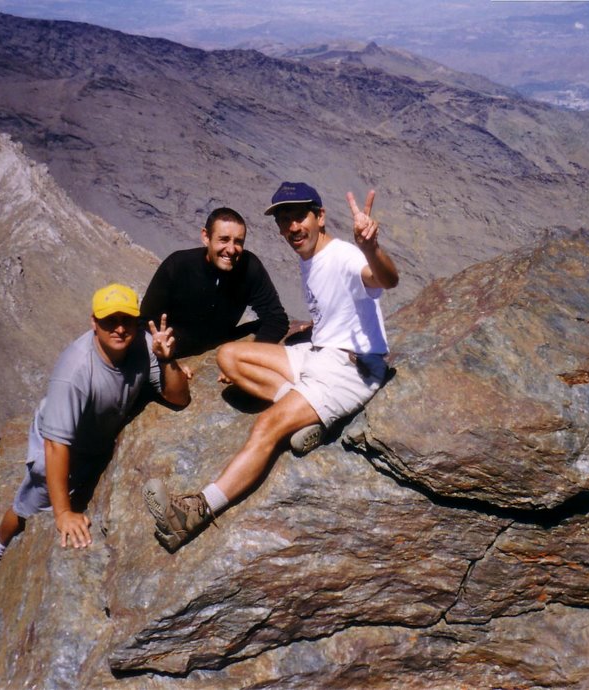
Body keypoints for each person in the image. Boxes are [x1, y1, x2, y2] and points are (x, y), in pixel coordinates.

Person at [142, 181, 399, 553]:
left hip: (350, 369)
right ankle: (308, 416)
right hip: (319, 353)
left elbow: (386, 280)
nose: (293, 227)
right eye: (284, 220)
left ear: (321, 216)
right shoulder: (311, 259)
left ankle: (194, 512)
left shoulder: (345, 255)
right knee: (229, 356)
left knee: (267, 425)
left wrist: (371, 247)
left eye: (300, 216)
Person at [0, 283, 191, 573]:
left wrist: (168, 360)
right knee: (30, 505)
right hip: (59, 442)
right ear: (94, 322)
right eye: (109, 321)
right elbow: (56, 445)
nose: (119, 329)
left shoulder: (144, 343)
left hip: (97, 434)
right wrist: (64, 513)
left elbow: (179, 398)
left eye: (127, 320)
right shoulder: (76, 370)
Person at [139, 207, 289, 357]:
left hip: (219, 347)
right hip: (171, 351)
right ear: (206, 237)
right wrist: (170, 360)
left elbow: (276, 317)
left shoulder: (249, 267)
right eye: (224, 239)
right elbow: (146, 321)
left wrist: (252, 356)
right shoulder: (178, 265)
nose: (231, 249)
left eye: (238, 242)